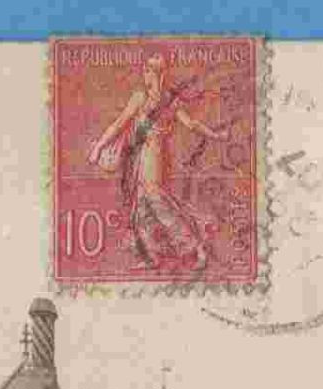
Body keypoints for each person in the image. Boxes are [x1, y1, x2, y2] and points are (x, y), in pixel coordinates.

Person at [88, 52, 230, 273]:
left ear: (159, 74)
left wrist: (216, 136)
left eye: (150, 71)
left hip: (154, 155)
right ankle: (151, 256)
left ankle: (196, 246)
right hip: (137, 155)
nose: (146, 75)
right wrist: (99, 146)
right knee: (140, 205)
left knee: (156, 200)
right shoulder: (139, 98)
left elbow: (191, 124)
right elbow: (118, 124)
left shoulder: (170, 102)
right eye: (145, 70)